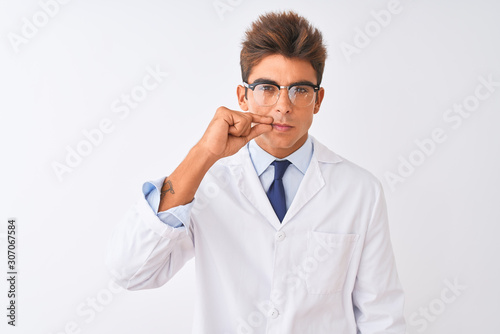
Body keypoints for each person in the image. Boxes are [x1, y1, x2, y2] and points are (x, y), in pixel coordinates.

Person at [106, 11, 406, 334]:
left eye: (300, 90)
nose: (282, 106)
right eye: (267, 88)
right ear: (242, 96)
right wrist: (203, 154)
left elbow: (382, 319)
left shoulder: (360, 192)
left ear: (318, 100)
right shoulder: (206, 183)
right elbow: (129, 270)